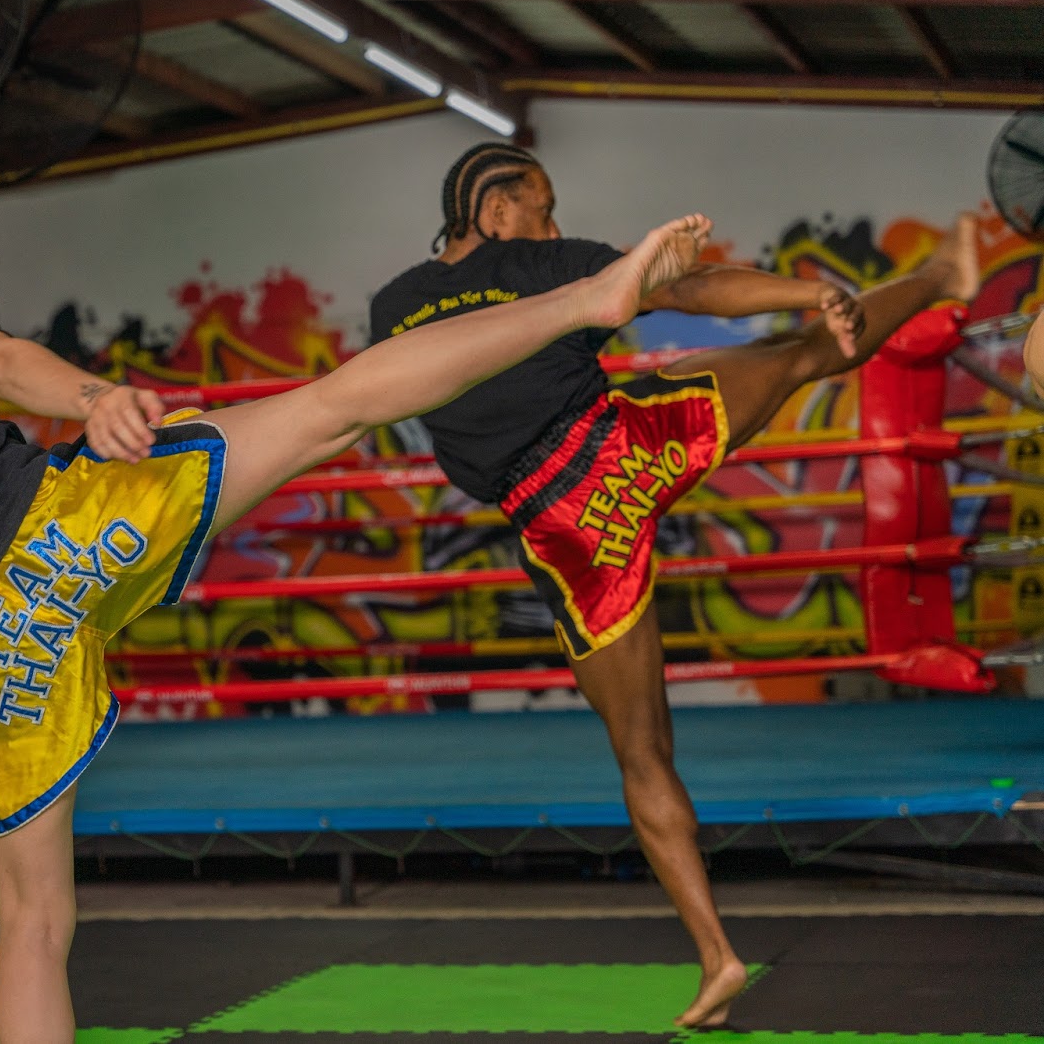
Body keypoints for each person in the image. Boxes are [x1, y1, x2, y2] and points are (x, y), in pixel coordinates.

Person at [0, 133, 715, 1041]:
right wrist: (97, 398)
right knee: (329, 410)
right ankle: (589, 300)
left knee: (35, 922)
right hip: (59, 536)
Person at [368, 142, 982, 1028]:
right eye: (540, 206)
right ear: (494, 212)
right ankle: (938, 272)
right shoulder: (537, 263)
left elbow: (360, 402)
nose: (552, 222)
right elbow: (689, 285)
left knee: (641, 754)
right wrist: (809, 294)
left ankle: (717, 957)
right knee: (809, 354)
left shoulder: (400, 301)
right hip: (627, 451)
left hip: (568, 529)